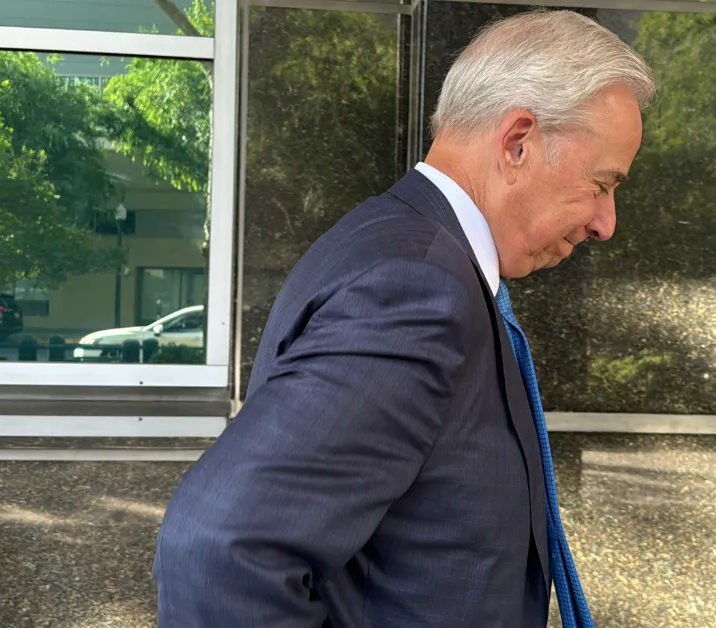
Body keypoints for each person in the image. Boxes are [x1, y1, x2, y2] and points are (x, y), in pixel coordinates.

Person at [154, 9, 654, 627]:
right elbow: (219, 555)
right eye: (602, 184)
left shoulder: (411, 253)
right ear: (518, 141)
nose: (607, 223)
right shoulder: (414, 287)